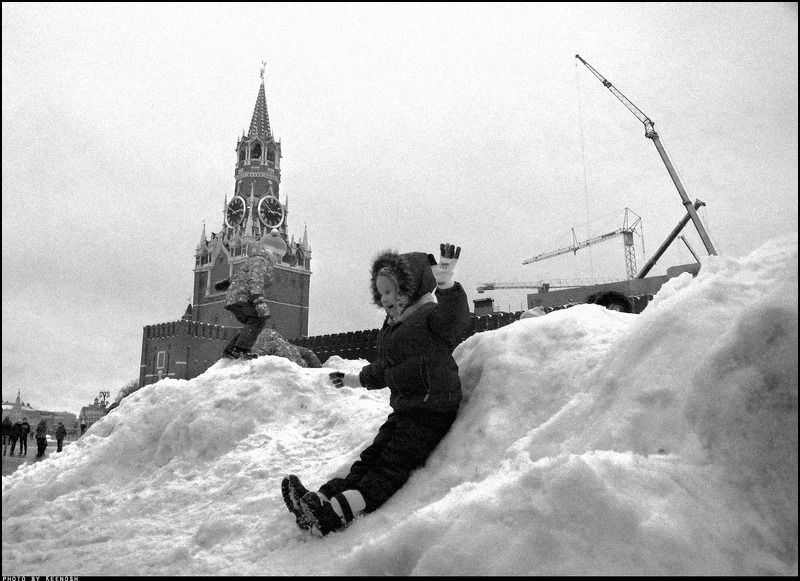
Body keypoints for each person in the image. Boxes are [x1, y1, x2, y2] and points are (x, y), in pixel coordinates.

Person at [282, 242, 470, 536]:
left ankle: (336, 513)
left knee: (390, 467)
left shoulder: (431, 317)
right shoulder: (394, 327)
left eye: (391, 291)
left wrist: (447, 285)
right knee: (369, 460)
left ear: (410, 290)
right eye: (381, 293)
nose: (384, 299)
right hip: (406, 409)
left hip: (432, 411)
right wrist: (354, 379)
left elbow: (454, 320)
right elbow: (384, 369)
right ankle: (318, 499)